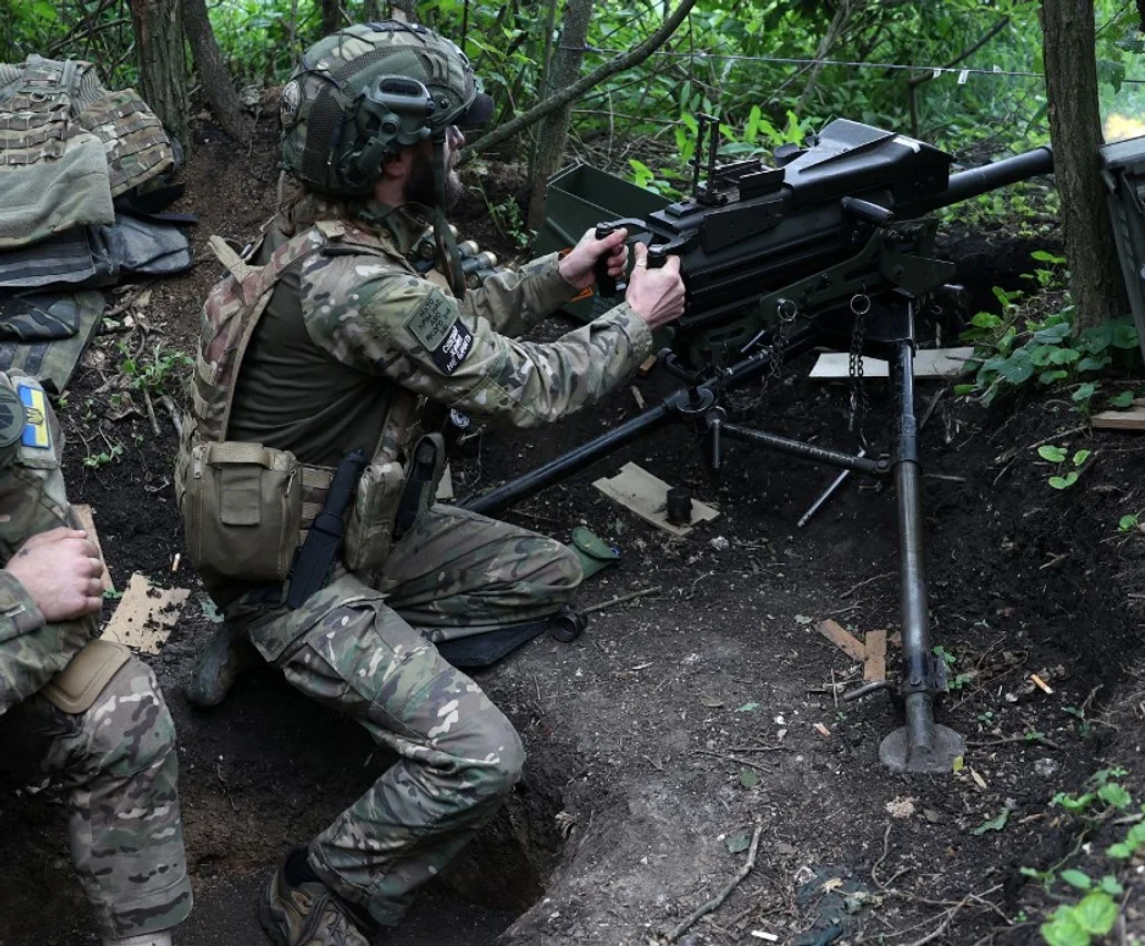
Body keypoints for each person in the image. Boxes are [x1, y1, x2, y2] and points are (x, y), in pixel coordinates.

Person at [174, 20, 686, 946]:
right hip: (296, 577)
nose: (459, 144)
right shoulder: (360, 286)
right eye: (443, 132)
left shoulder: (354, 229)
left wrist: (560, 276)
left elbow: (457, 316)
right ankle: (317, 884)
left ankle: (326, 652)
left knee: (545, 573)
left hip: (341, 533)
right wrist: (634, 323)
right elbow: (525, 387)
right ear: (388, 152)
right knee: (480, 756)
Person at [0, 373, 191, 946]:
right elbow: (34, 594)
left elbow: (70, 602)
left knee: (119, 701)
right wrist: (15, 595)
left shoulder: (11, 416)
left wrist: (30, 598)